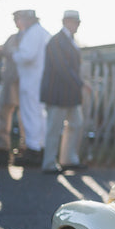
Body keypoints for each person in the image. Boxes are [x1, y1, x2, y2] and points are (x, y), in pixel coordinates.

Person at [40, 10, 89, 173]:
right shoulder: (56, 41)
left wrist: (78, 84)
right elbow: (62, 68)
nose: (77, 25)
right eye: (75, 22)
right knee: (54, 128)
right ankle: (48, 164)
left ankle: (68, 159)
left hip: (70, 94)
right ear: (66, 22)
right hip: (58, 93)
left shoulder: (71, 41)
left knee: (76, 123)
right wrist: (80, 83)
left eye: (78, 22)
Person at [9, 9, 49, 166]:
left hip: (31, 80)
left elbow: (26, 56)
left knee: (31, 114)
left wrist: (12, 54)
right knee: (39, 114)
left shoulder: (32, 33)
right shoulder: (43, 32)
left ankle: (33, 150)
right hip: (39, 80)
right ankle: (40, 147)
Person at [0, 21, 24, 158]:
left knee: (25, 116)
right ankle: (3, 146)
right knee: (4, 113)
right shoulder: (12, 37)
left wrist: (7, 51)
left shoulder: (30, 38)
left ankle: (25, 146)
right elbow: (2, 52)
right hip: (9, 80)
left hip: (23, 81)